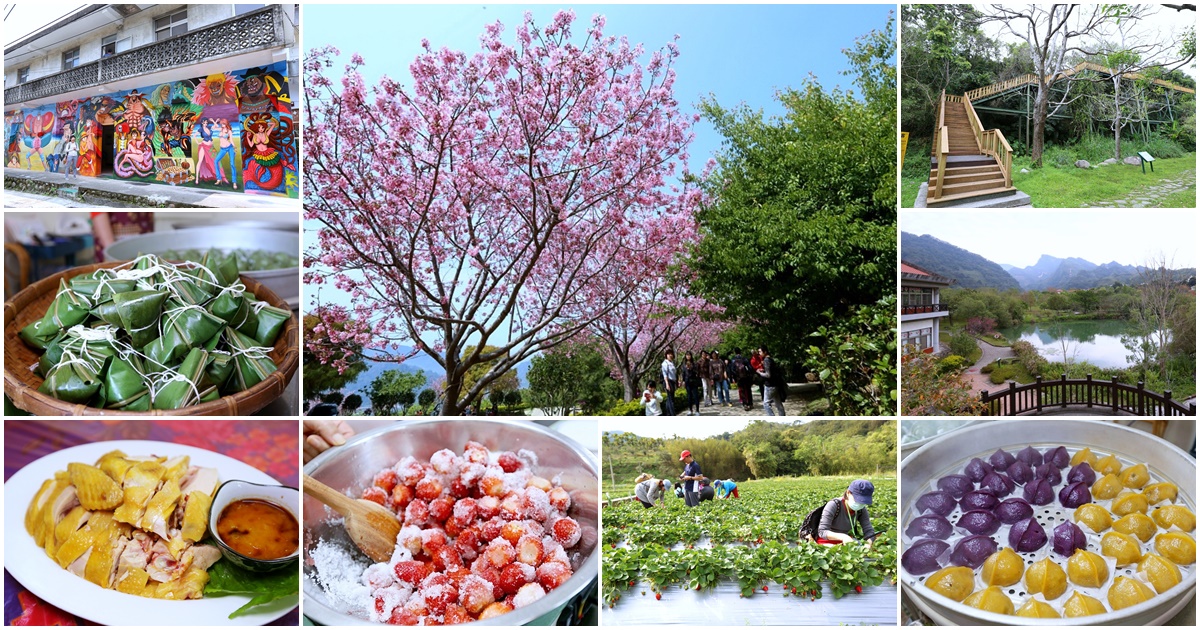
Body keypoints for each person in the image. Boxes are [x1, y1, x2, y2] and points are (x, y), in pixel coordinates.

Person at [817, 479, 877, 547]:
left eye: (863, 502)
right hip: (826, 541)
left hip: (846, 541)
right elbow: (822, 532)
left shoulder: (861, 509)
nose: (860, 504)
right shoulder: (834, 505)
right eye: (858, 500)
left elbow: (869, 531)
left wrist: (869, 542)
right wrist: (843, 537)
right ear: (848, 493)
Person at [756, 346, 786, 416]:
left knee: (766, 404)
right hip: (776, 384)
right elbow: (771, 371)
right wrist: (763, 370)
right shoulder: (771, 359)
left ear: (765, 351)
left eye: (760, 351)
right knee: (778, 404)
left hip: (770, 385)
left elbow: (768, 375)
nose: (759, 353)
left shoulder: (766, 360)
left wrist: (759, 373)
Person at [660, 350, 678, 417]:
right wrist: (667, 384)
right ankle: (673, 414)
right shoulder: (665, 363)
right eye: (668, 354)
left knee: (669, 398)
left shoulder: (671, 362)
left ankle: (668, 414)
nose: (670, 355)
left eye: (671, 354)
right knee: (671, 399)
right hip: (668, 382)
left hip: (672, 382)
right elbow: (665, 374)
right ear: (666, 355)